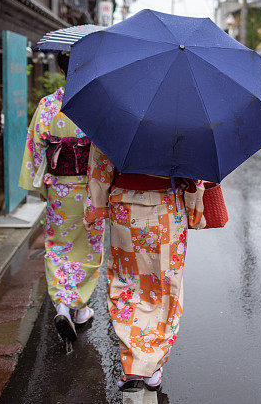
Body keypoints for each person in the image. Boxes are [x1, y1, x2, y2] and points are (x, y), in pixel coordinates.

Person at [83, 144, 206, 392]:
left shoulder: (116, 113)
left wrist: (94, 210)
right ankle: (151, 367)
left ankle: (133, 366)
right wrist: (195, 210)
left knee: (126, 283)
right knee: (165, 288)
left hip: (125, 207)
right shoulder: (184, 119)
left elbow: (100, 166)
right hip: (168, 207)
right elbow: (195, 174)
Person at [20, 52, 104, 343]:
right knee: (88, 248)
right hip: (91, 187)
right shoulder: (96, 103)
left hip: (59, 187)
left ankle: (63, 306)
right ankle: (79, 307)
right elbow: (106, 151)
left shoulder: (47, 105)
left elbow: (35, 147)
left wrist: (41, 186)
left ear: (59, 67)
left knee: (58, 245)